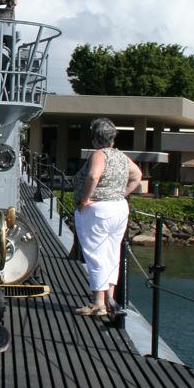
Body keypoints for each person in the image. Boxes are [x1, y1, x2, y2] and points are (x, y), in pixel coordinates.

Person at [72, 117, 142, 318]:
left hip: (98, 210)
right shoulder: (122, 157)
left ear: (95, 139)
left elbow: (94, 176)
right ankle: (110, 299)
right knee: (112, 255)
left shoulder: (99, 155)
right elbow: (137, 176)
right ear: (112, 139)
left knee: (96, 255)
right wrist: (121, 194)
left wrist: (85, 199)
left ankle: (98, 303)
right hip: (119, 208)